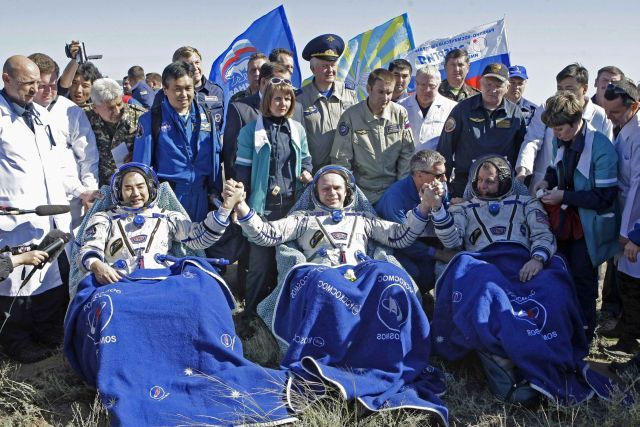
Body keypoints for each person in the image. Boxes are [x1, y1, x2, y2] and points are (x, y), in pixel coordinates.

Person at [425, 155, 614, 405]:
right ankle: (503, 353)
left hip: (524, 263)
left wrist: (537, 259)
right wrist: (438, 208)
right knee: (478, 283)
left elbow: (543, 234)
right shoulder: (463, 207)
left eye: (490, 182)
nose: (482, 186)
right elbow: (451, 240)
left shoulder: (527, 203)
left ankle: (550, 354)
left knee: (555, 288)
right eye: (479, 181)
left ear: (504, 181)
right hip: (485, 264)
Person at [0, 55, 81, 363]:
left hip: (50, 213)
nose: (34, 90)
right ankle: (15, 342)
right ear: (6, 79)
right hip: (13, 218)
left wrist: (78, 190)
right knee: (16, 282)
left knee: (49, 275)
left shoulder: (41, 114)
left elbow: (58, 161)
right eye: (26, 84)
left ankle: (47, 332)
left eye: (37, 83)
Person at [534, 91, 619, 341]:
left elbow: (604, 196)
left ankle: (584, 334)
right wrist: (546, 181)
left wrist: (564, 196)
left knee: (584, 280)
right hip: (564, 223)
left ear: (576, 122)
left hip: (589, 226)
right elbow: (555, 167)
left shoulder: (601, 146)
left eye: (560, 129)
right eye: (554, 129)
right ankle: (562, 328)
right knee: (560, 274)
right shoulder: (558, 139)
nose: (556, 134)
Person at [229, 165, 432, 265]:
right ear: (315, 192)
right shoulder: (303, 219)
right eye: (325, 189)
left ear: (347, 191)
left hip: (362, 277)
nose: (332, 193)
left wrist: (424, 207)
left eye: (337, 188)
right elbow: (267, 234)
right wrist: (240, 205)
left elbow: (401, 236)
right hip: (321, 278)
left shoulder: (363, 219)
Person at [77, 163, 234, 284]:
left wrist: (225, 209)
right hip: (119, 282)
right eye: (128, 188)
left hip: (162, 282)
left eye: (140, 186)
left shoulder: (167, 217)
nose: (136, 193)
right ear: (119, 191)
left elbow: (200, 238)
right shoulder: (104, 218)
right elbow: (88, 250)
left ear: (150, 188)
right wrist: (97, 265)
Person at [234, 79, 312, 315]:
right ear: (267, 100)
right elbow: (243, 172)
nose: (282, 103)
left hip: (291, 207)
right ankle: (252, 316)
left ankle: (284, 313)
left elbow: (306, 159)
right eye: (277, 98)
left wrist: (307, 171)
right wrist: (241, 205)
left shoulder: (297, 129)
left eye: (287, 98)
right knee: (259, 265)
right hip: (262, 208)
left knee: (288, 263)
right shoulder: (250, 131)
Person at [133, 61, 222, 223]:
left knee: (202, 245)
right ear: (165, 90)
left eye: (188, 88)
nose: (184, 94)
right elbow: (141, 166)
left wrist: (216, 191)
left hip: (202, 197)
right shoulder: (151, 120)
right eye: (177, 89)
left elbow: (215, 158)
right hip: (169, 199)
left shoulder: (206, 117)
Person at [29, 53, 100, 227]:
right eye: (42, 86)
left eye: (53, 84)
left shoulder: (71, 111)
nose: (48, 91)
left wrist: (88, 190)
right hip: (34, 202)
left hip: (72, 201)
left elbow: (88, 157)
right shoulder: (18, 114)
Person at [516, 63, 615, 188]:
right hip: (545, 184)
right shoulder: (547, 109)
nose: (562, 94)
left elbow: (606, 153)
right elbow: (532, 141)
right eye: (559, 88)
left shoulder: (601, 116)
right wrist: (523, 171)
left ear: (584, 89)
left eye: (569, 89)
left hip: (585, 190)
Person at [437, 63, 527, 198]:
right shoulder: (462, 110)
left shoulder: (515, 114)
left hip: (503, 187)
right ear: (480, 83)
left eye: (498, 85)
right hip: (465, 184)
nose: (493, 90)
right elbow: (445, 148)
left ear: (507, 87)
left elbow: (522, 150)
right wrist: (443, 183)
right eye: (489, 84)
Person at [375, 150, 455, 294]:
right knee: (416, 273)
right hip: (395, 248)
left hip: (425, 244)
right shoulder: (395, 198)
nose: (445, 179)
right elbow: (402, 242)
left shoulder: (438, 188)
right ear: (419, 175)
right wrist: (439, 254)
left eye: (444, 173)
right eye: (438, 175)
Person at [331, 68, 414, 204]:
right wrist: (349, 190)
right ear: (369, 89)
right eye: (381, 92)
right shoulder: (351, 116)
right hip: (361, 191)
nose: (386, 98)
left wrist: (401, 188)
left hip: (393, 190)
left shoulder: (400, 113)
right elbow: (341, 158)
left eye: (389, 92)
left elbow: (407, 153)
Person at [600, 79, 640, 356]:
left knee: (633, 283)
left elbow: (638, 187)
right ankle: (627, 330)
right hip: (625, 217)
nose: (610, 117)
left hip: (635, 223)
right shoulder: (623, 129)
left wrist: (630, 232)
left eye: (615, 112)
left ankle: (630, 341)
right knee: (624, 279)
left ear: (634, 106)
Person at [223, 62, 303, 179]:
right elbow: (231, 155)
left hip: (289, 189)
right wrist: (237, 189)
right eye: (279, 81)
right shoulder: (240, 109)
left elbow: (302, 152)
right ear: (264, 82)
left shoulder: (297, 108)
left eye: (288, 82)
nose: (284, 87)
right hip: (253, 188)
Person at [297, 34, 357, 170]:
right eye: (325, 66)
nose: (330, 70)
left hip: (347, 168)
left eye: (333, 65)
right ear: (313, 69)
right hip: (316, 172)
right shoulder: (300, 99)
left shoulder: (349, 93)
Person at [85, 78, 146, 187]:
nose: (117, 111)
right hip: (99, 188)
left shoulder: (140, 117)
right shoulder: (84, 118)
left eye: (119, 104)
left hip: (130, 186)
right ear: (95, 107)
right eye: (111, 108)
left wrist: (138, 155)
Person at [399, 65, 456, 151]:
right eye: (422, 85)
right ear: (415, 83)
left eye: (432, 85)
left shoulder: (452, 108)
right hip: (407, 162)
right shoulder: (400, 106)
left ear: (439, 85)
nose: (426, 90)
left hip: (437, 162)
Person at [172, 46, 225, 134]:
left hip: (211, 146)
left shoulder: (217, 91)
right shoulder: (170, 94)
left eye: (197, 62)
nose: (195, 67)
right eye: (189, 65)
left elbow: (225, 126)